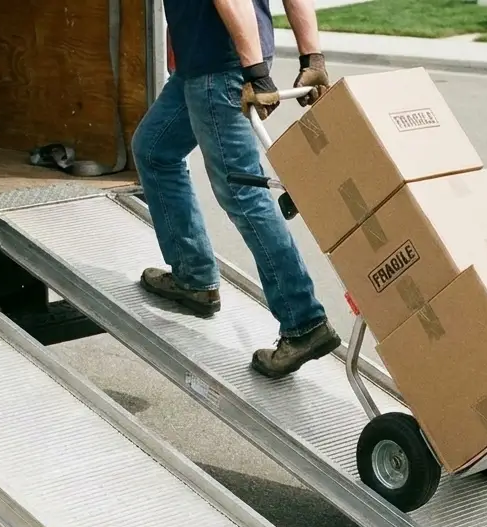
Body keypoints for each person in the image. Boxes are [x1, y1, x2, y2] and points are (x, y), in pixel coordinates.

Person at [134, 0, 336, 379]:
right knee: (155, 149)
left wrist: (255, 73)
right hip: (205, 65)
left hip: (218, 67)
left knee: (243, 193)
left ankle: (304, 322)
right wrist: (313, 58)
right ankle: (194, 278)